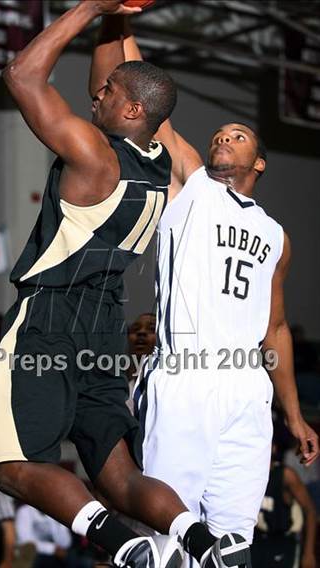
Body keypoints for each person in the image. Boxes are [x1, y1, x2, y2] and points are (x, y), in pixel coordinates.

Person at [0, 2, 244, 567]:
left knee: (12, 468)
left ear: (130, 108)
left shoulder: (93, 155)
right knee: (121, 476)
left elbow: (21, 75)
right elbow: (115, 75)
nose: (94, 95)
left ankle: (123, 547)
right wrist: (116, 17)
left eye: (106, 93)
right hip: (105, 329)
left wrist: (90, 6)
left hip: (50, 319)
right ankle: (200, 541)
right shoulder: (160, 162)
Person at [90, 14, 320, 568]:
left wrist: (293, 413)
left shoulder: (276, 236)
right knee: (173, 537)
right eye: (219, 133)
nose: (223, 136)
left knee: (234, 547)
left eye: (237, 135)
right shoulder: (192, 188)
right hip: (187, 375)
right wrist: (115, 18)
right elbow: (135, 93)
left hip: (247, 388)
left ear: (258, 163)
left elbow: (277, 328)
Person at [252, 443, 317, 568]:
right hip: (257, 542)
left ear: (273, 448)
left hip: (282, 543)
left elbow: (310, 511)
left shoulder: (286, 475)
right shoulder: (248, 476)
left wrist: (309, 553)